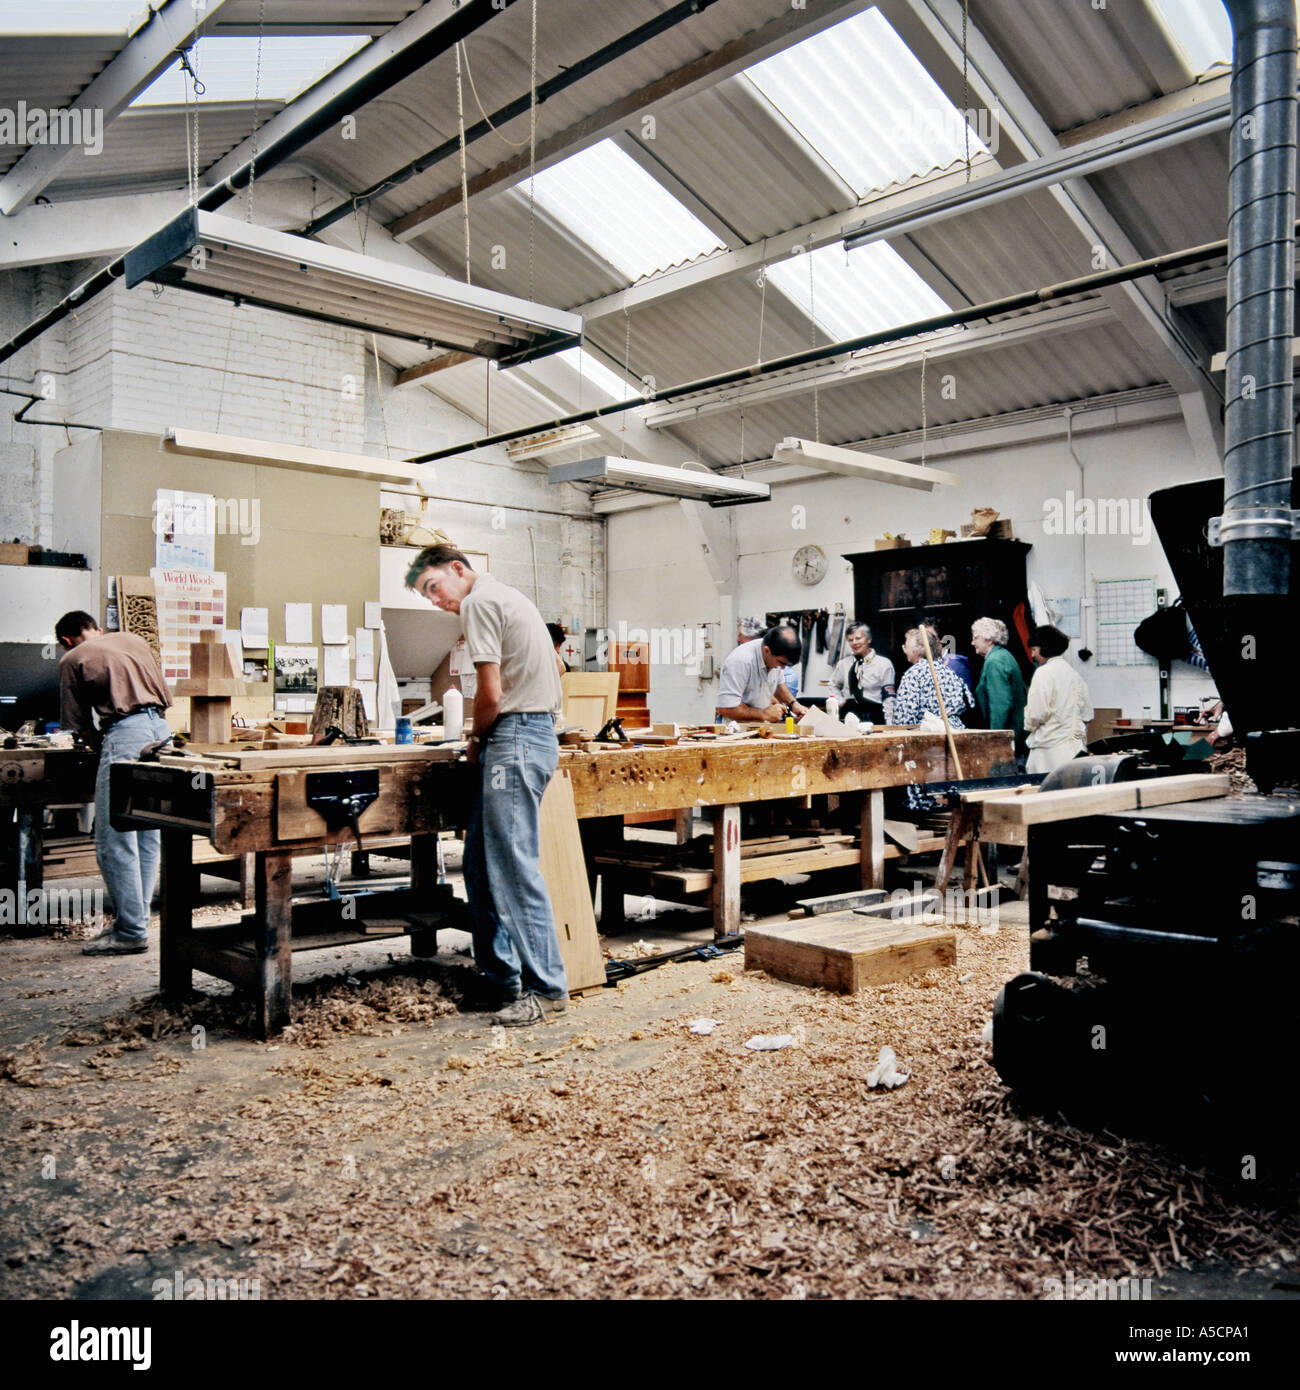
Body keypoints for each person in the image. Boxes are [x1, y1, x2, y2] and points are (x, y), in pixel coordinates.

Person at [407, 546, 567, 1027]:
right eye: (425, 596)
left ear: (458, 569)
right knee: (480, 863)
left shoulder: (479, 602)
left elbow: (491, 694)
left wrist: (476, 739)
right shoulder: (512, 597)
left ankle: (547, 989)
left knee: (513, 868)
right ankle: (500, 980)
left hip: (514, 737)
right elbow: (557, 671)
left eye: (434, 587)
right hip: (529, 734)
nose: (435, 601)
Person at [55, 612, 173, 955]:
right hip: (161, 731)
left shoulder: (72, 658)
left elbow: (79, 725)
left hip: (125, 732)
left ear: (67, 639)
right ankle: (138, 921)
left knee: (113, 834)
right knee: (147, 828)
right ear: (97, 628)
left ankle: (130, 930)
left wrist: (101, 746)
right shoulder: (134, 640)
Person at [1024, 624, 1093, 774]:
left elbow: (1036, 714)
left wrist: (1028, 724)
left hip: (1048, 754)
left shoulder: (1043, 673)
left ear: (1044, 647)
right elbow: (1088, 715)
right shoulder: (1075, 675)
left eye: (1034, 649)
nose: (1032, 655)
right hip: (1075, 750)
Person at [715, 624, 807, 723]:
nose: (783, 668)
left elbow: (779, 685)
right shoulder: (740, 661)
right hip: (737, 732)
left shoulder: (774, 655)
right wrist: (764, 714)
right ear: (767, 650)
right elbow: (726, 708)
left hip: (761, 729)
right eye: (782, 663)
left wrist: (793, 704)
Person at [892, 625, 973, 728]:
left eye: (905, 647)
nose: (905, 651)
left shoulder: (913, 675)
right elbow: (969, 702)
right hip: (955, 731)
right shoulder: (948, 671)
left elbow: (903, 718)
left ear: (917, 652)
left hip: (929, 735)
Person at [971, 617, 1027, 759]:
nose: (972, 643)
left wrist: (996, 739)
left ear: (989, 639)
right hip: (1015, 733)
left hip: (1006, 737)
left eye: (976, 638)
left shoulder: (994, 661)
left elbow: (1000, 704)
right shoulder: (1003, 656)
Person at [831, 623, 895, 723]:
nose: (854, 642)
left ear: (869, 639)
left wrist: (889, 722)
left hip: (874, 715)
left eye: (858, 638)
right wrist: (840, 700)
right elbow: (833, 685)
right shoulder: (843, 664)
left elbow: (889, 697)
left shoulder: (883, 664)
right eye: (850, 640)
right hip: (849, 716)